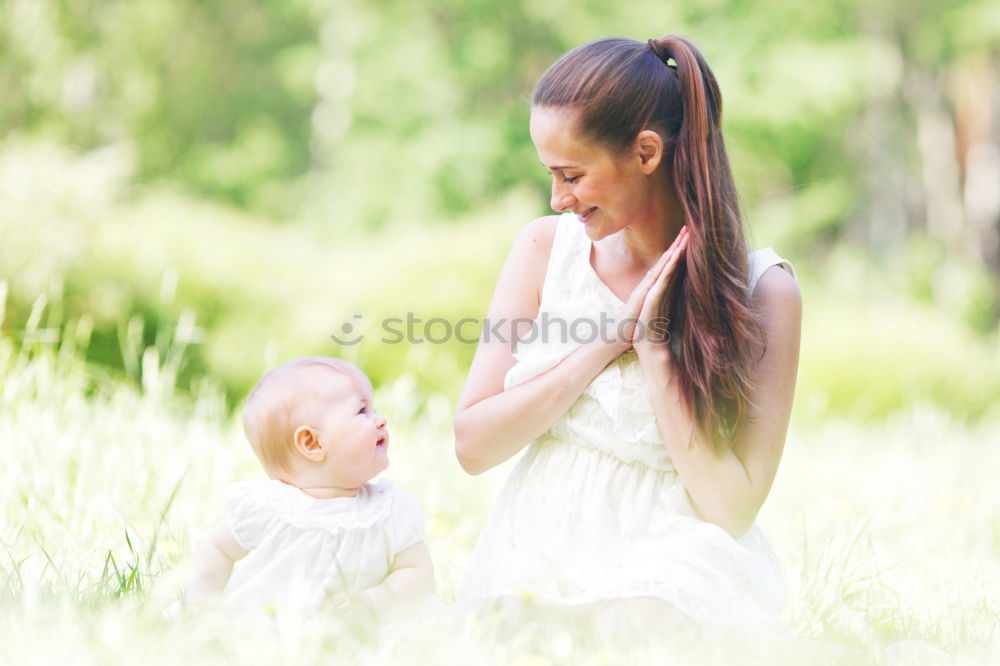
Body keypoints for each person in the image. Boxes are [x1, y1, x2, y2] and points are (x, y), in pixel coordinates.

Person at [453, 34, 802, 644]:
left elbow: (732, 508)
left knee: (638, 625)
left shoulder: (763, 290)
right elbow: (473, 445)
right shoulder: (544, 250)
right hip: (545, 537)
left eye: (572, 175)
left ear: (646, 153)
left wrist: (655, 349)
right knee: (509, 630)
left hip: (677, 549)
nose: (559, 199)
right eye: (552, 176)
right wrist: (605, 343)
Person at [185, 356, 435, 617]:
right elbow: (217, 548)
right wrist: (200, 609)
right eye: (362, 412)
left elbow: (418, 573)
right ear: (312, 443)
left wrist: (374, 601)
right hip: (274, 628)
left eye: (373, 410)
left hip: (366, 636)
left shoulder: (389, 509)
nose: (381, 420)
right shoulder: (271, 508)